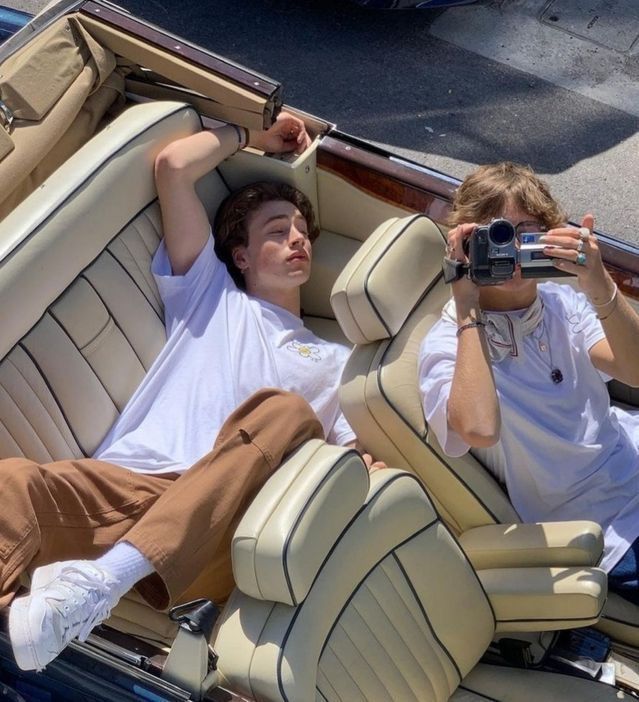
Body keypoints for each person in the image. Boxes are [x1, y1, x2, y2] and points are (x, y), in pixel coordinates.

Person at [2, 111, 383, 672]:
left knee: (285, 412)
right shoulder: (208, 293)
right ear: (242, 256)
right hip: (132, 485)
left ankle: (99, 584)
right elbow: (174, 166)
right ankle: (47, 614)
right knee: (12, 480)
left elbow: (353, 460)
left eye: (301, 231)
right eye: (277, 231)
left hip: (224, 530)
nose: (297, 238)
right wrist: (254, 134)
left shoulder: (337, 359)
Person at [418, 161, 639, 605]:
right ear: (464, 243)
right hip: (602, 523)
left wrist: (599, 284)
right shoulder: (447, 342)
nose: (511, 247)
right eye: (495, 233)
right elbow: (478, 429)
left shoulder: (563, 301)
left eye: (527, 231)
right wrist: (467, 306)